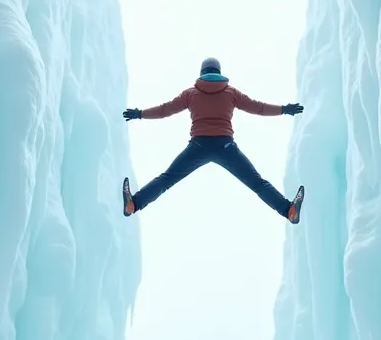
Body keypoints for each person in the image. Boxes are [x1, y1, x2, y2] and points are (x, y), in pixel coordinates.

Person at [120, 57, 306, 223]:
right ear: (219, 71)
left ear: (201, 72)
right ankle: (288, 210)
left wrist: (139, 114)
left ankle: (133, 205)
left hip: (198, 146)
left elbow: (165, 110)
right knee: (258, 184)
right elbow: (258, 108)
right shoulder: (231, 93)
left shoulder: (191, 93)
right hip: (225, 146)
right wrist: (284, 110)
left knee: (165, 180)